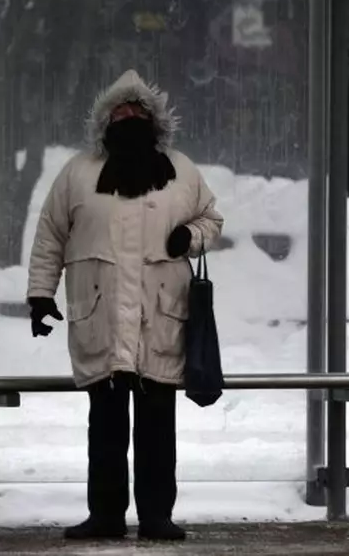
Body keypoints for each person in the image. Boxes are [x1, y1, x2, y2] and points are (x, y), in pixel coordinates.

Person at [26, 69, 224, 541]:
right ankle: (106, 516)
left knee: (158, 428)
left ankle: (157, 515)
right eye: (120, 111)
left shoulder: (181, 171)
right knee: (106, 430)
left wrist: (190, 236)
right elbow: (51, 235)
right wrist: (39, 294)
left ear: (154, 120)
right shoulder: (77, 173)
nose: (129, 117)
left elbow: (211, 218)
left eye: (138, 111)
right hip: (102, 320)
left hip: (161, 318)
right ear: (105, 120)